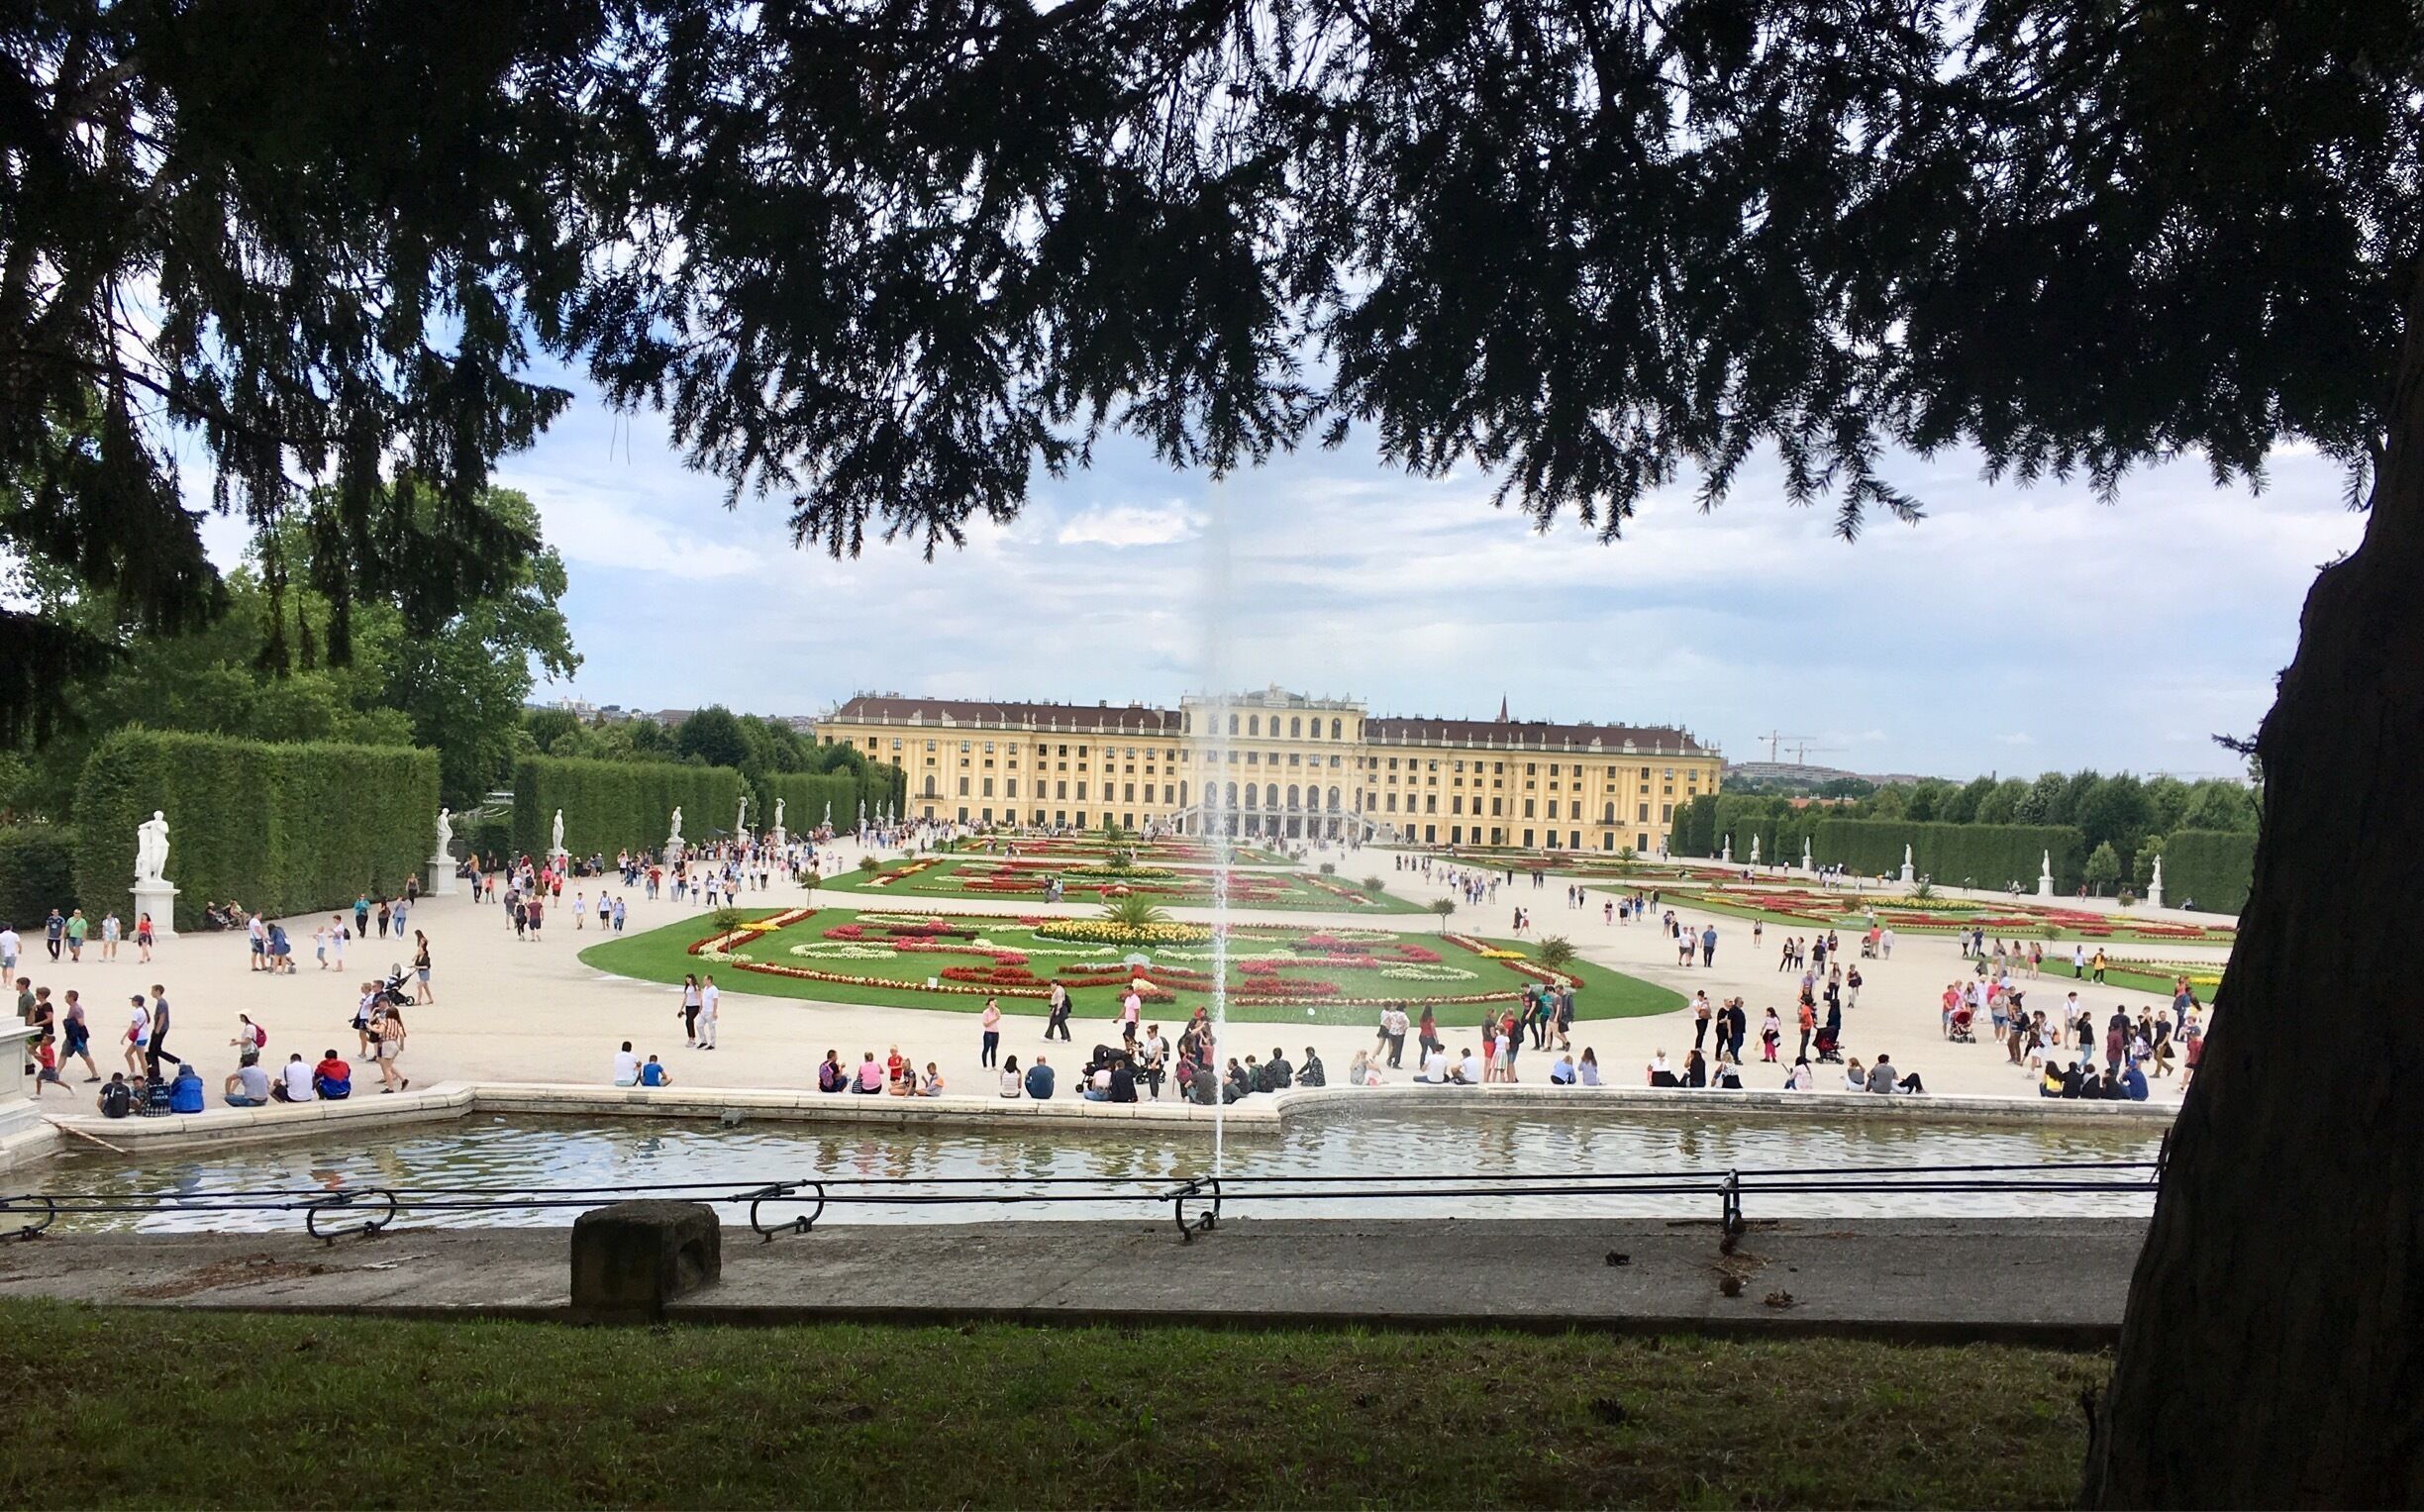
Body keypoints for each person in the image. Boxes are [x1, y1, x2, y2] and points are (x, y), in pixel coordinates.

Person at [30, 1032, 67, 1098]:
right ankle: (38, 1093)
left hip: (49, 1068)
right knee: (38, 1079)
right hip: (46, 1067)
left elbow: (48, 1057)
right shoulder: (45, 1048)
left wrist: (39, 1055)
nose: (42, 1041)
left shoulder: (48, 1049)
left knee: (55, 1081)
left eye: (44, 1040)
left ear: (49, 1041)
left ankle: (69, 1087)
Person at [695, 974, 719, 1050]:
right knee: (699, 1025)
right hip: (704, 1011)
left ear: (709, 980)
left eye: (705, 980)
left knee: (711, 1028)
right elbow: (703, 999)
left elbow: (715, 1001)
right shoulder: (705, 988)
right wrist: (700, 1007)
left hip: (710, 1011)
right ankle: (703, 1040)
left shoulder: (714, 989)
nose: (703, 981)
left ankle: (712, 1044)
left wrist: (714, 1012)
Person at [980, 997, 1002, 1067]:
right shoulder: (986, 1012)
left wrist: (994, 1008)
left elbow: (999, 1016)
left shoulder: (996, 1011)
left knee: (994, 1049)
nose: (995, 1004)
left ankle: (994, 1065)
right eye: (994, 1003)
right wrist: (994, 1020)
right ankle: (985, 1065)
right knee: (986, 1048)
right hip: (988, 1032)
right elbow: (985, 1024)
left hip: (995, 1032)